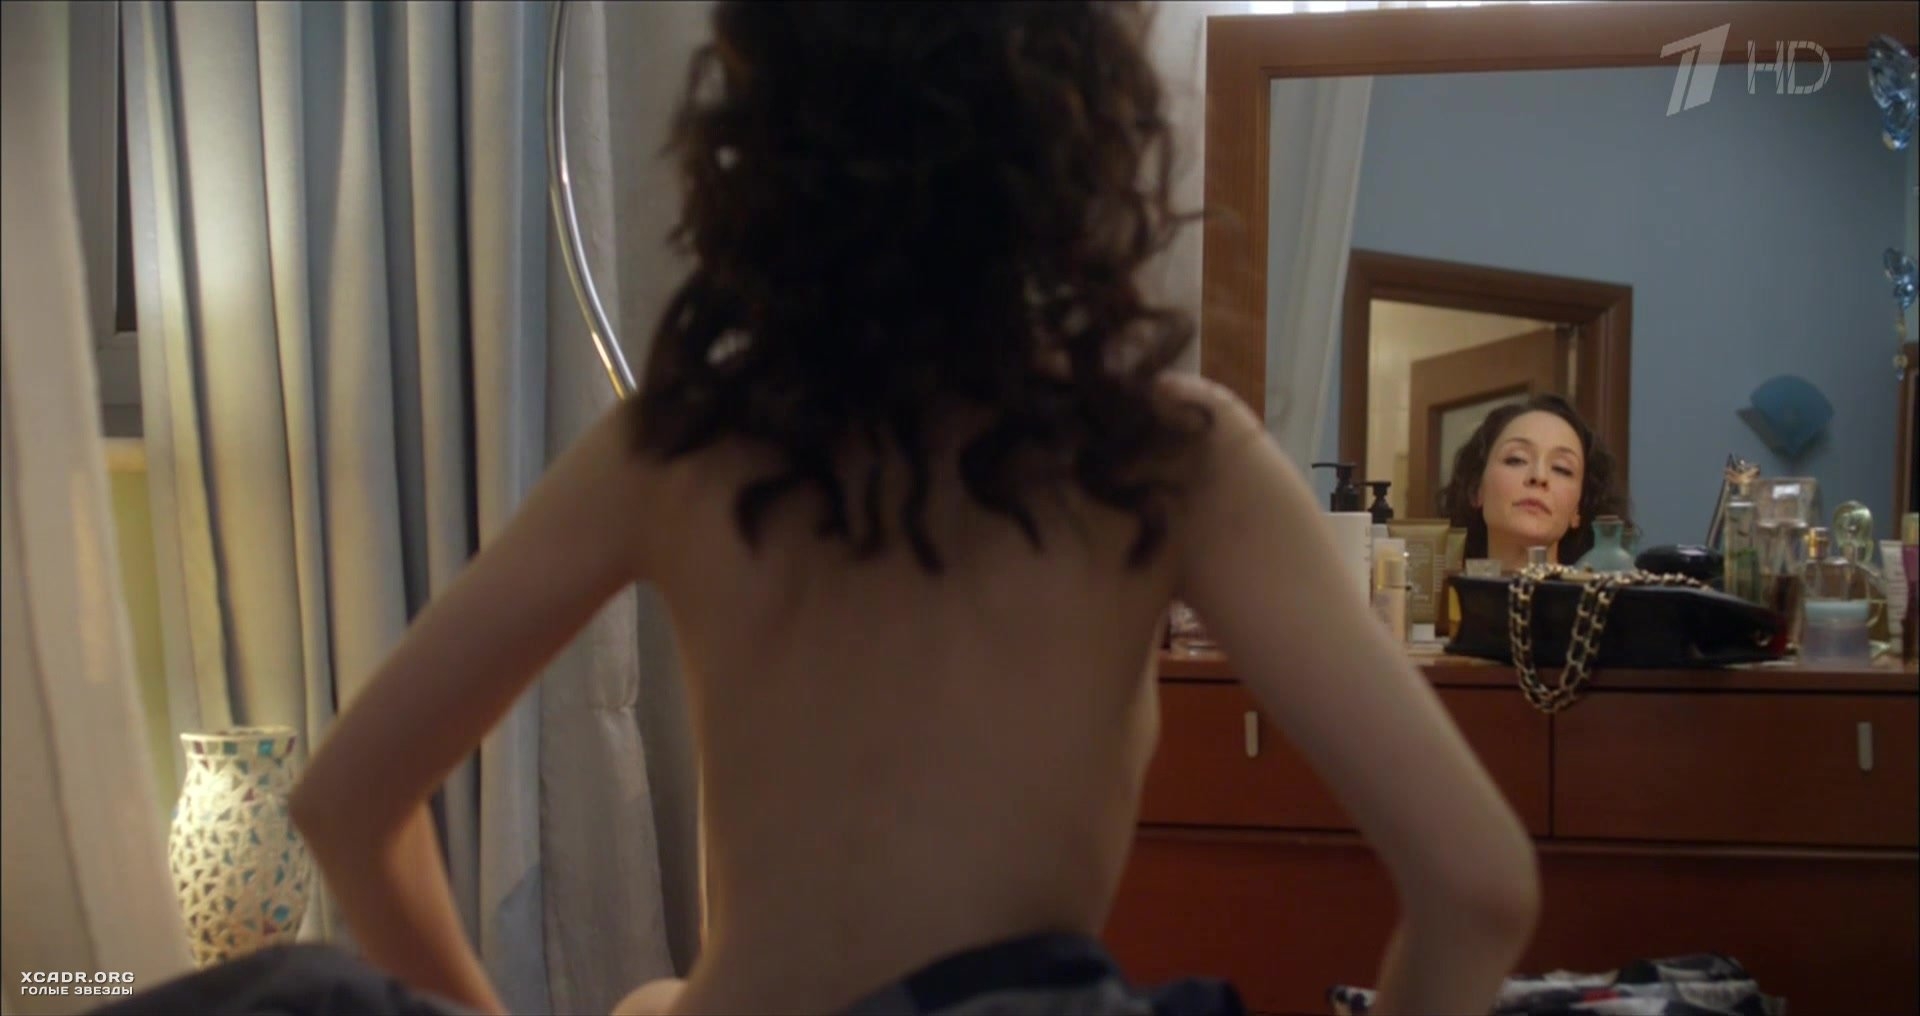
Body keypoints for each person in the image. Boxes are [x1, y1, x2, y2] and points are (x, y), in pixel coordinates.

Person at [287, 4, 1541, 1015]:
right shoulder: (1170, 457)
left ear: (762, 135)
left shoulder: (677, 444)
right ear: (1083, 136)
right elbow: (1479, 883)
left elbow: (346, 805)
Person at [1437, 393, 1631, 573]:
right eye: (1516, 459)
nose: (1539, 477)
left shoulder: (1603, 597)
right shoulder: (1445, 595)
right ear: (1476, 490)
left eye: (1561, 468)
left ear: (1577, 509)